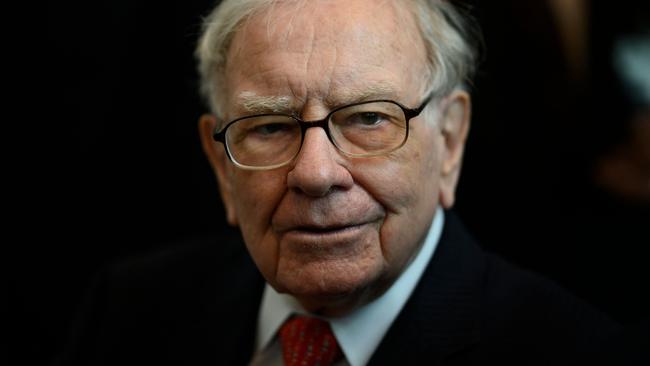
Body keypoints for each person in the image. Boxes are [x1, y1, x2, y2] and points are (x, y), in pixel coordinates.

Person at [57, 1, 622, 365]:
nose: (316, 173)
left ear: (449, 142)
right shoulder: (128, 314)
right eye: (272, 126)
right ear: (220, 165)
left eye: (369, 118)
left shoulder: (575, 352)